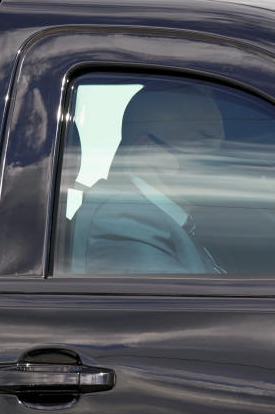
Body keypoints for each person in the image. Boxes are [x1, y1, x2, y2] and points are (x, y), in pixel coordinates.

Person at [69, 83, 225, 275]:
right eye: (204, 140)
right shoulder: (124, 220)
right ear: (148, 151)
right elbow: (171, 304)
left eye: (222, 144)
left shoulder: (165, 220)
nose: (220, 155)